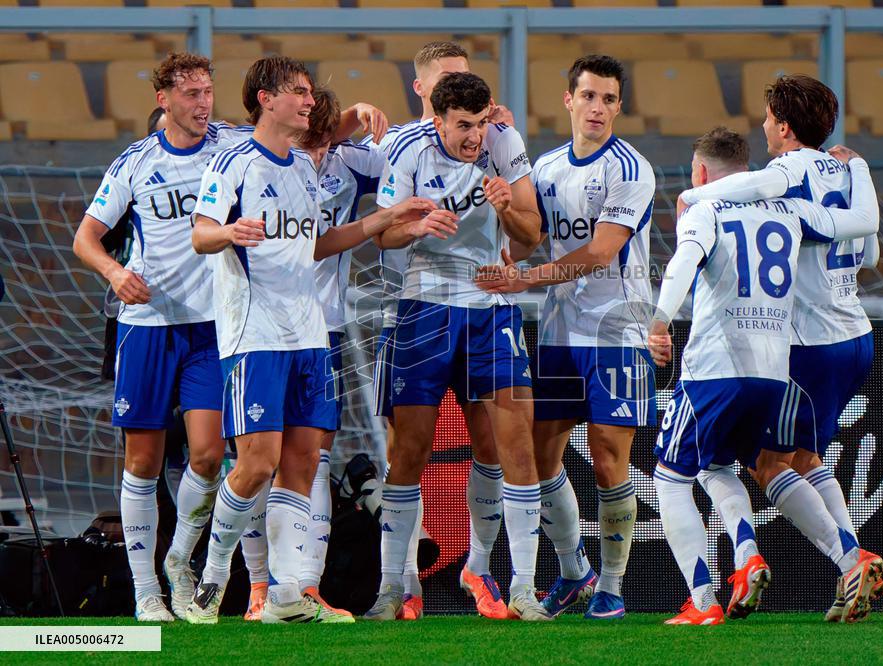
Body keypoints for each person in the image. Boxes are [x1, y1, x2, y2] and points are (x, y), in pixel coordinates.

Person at [183, 55, 431, 625]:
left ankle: (290, 595)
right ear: (266, 98)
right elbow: (201, 235)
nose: (308, 100)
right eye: (297, 91)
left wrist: (386, 219)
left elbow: (317, 245)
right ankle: (212, 580)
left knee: (302, 460)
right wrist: (228, 231)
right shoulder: (232, 161)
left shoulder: (301, 168)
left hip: (311, 334)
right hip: (255, 334)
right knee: (255, 463)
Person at [648, 127, 880, 626]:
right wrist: (856, 172)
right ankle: (840, 555)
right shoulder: (789, 211)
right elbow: (862, 236)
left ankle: (703, 600)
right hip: (777, 369)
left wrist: (659, 321)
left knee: (671, 478)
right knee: (733, 465)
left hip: (715, 367)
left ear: (703, 173)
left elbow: (682, 264)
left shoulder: (705, 209)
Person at [474, 55, 656, 621]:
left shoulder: (632, 168)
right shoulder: (547, 168)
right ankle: (574, 570)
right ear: (568, 99)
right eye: (589, 96)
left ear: (618, 106)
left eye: (608, 99)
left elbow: (601, 251)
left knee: (607, 461)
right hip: (557, 333)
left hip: (616, 331)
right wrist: (507, 214)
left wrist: (524, 278)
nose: (597, 108)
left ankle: (613, 585)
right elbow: (529, 243)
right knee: (541, 458)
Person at [73, 52, 250, 622]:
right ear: (164, 100)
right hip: (147, 328)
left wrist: (354, 119)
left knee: (207, 452)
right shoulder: (135, 162)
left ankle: (178, 561)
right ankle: (144, 589)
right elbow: (87, 239)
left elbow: (295, 134)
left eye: (208, 91)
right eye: (192, 94)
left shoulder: (232, 145)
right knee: (143, 462)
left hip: (210, 325)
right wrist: (116, 273)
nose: (204, 104)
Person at [365, 71, 549, 621]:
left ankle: (520, 586)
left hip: (492, 308)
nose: (474, 137)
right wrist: (417, 225)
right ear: (439, 119)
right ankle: (392, 588)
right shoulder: (408, 150)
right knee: (410, 451)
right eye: (463, 126)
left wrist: (504, 208)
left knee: (514, 445)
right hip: (425, 307)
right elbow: (383, 233)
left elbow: (531, 234)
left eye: (480, 124)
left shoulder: (504, 143)